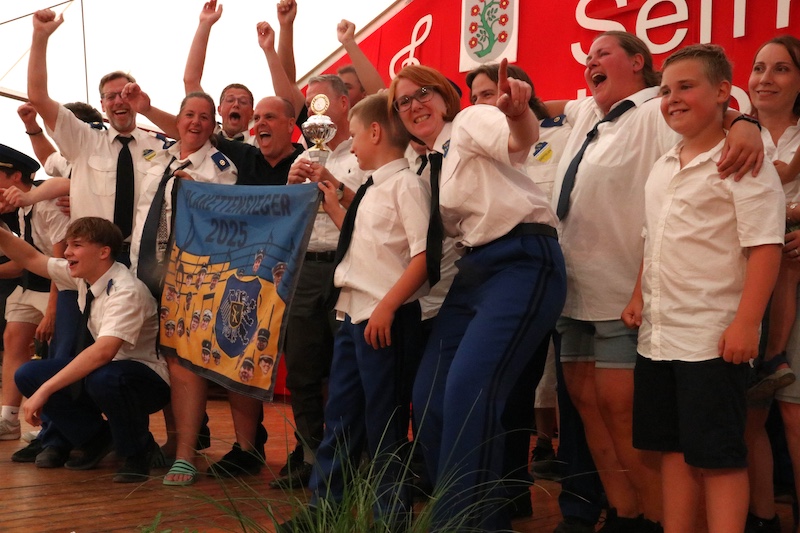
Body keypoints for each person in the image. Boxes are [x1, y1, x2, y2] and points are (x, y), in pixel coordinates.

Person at [548, 31, 764, 533]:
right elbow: (543, 109)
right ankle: (626, 514)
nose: (591, 60)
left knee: (630, 417)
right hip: (577, 288)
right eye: (587, 56)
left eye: (603, 53)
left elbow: (708, 118)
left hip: (635, 295)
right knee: (591, 408)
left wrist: (745, 122)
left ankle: (655, 515)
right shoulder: (589, 114)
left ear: (637, 61)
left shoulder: (653, 111)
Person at [390, 61, 566, 531]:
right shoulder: (429, 163)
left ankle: (463, 525)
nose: (414, 105)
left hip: (520, 259)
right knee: (429, 397)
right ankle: (475, 515)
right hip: (473, 274)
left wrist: (517, 113)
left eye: (423, 93)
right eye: (403, 101)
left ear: (445, 98)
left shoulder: (470, 121)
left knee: (469, 392)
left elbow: (518, 139)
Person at [622, 43, 784, 533]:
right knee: (672, 450)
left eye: (686, 87)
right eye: (665, 90)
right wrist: (639, 294)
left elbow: (765, 247)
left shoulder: (741, 160)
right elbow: (653, 237)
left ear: (722, 92)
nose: (672, 98)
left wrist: (746, 323)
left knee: (719, 457)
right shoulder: (662, 165)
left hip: (711, 339)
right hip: (659, 337)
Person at [279, 91, 429, 531]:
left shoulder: (407, 185)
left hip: (385, 319)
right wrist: (332, 204)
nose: (353, 145)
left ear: (376, 132)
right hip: (351, 314)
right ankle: (324, 509)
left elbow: (423, 257)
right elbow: (365, 244)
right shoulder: (369, 190)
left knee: (385, 423)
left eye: (357, 135)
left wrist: (387, 307)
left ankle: (389, 518)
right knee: (340, 418)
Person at [465, 62, 571, 517]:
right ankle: (508, 492)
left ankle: (569, 497)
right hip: (495, 276)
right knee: (507, 390)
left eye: (490, 92)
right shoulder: (471, 144)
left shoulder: (562, 132)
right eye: (476, 96)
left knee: (555, 391)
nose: (482, 103)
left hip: (554, 270)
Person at [9, 217, 171, 483]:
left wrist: (45, 391)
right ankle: (98, 438)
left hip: (147, 380)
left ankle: (138, 452)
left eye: (77, 245)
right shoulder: (86, 276)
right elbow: (30, 258)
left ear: (103, 252)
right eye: (68, 245)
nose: (67, 252)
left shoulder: (126, 291)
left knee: (103, 377)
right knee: (28, 374)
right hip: (107, 372)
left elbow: (103, 352)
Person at [270, 73, 365, 490]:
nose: (315, 111)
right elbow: (285, 219)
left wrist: (330, 182)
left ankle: (355, 461)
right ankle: (310, 456)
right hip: (306, 268)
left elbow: (371, 210)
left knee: (351, 372)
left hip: (352, 266)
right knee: (302, 370)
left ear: (344, 103)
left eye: (322, 101)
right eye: (310, 105)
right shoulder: (302, 155)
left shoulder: (365, 150)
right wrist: (292, 191)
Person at [749, 35, 800, 533]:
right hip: (741, 284)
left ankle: (776, 353)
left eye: (781, 68)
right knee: (747, 417)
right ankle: (761, 517)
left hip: (791, 275)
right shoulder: (734, 131)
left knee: (794, 415)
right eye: (759, 67)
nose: (765, 79)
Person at [0, 145, 68, 441]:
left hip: (58, 285)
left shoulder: (48, 203)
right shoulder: (19, 209)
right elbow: (23, 261)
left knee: (57, 349)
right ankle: (8, 419)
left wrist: (52, 311)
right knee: (13, 338)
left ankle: (54, 426)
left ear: (15, 176)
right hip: (32, 283)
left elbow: (60, 263)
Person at [184, 0, 256, 143]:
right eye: (230, 100)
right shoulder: (207, 135)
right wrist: (205, 24)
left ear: (252, 114)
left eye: (243, 102)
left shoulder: (260, 145)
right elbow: (191, 80)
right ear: (219, 109)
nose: (236, 104)